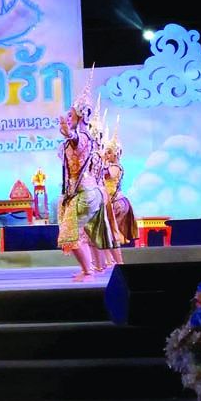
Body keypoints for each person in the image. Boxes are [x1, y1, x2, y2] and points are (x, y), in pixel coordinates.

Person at [57, 69, 115, 282]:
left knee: (70, 233)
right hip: (87, 192)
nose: (68, 117)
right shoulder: (86, 138)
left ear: (80, 116)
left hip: (84, 193)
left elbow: (73, 138)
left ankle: (89, 271)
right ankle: (93, 268)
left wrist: (67, 131)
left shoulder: (81, 137)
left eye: (71, 115)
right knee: (83, 233)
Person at [102, 116, 138, 265]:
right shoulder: (108, 166)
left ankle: (118, 263)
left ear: (116, 153)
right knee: (105, 233)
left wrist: (99, 164)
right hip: (110, 203)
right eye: (106, 152)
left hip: (117, 204)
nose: (107, 155)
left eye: (109, 152)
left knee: (110, 233)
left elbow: (109, 176)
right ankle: (109, 261)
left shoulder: (116, 167)